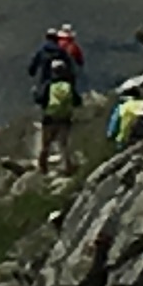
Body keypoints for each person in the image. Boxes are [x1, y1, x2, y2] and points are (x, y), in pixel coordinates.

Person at [23, 24, 89, 177]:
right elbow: (76, 65)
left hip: (49, 108)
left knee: (46, 142)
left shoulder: (42, 52)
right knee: (64, 142)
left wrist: (36, 93)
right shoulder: (63, 51)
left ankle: (43, 167)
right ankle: (67, 166)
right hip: (65, 113)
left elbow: (32, 70)